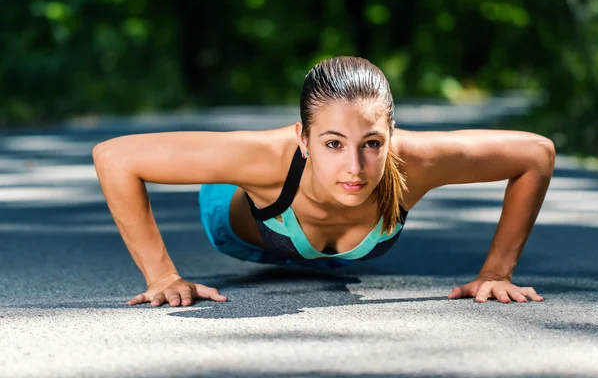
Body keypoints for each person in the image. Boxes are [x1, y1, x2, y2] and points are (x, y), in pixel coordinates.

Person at [92, 56, 554, 308]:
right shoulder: (267, 157)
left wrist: (496, 273)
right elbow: (114, 157)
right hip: (247, 213)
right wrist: (163, 276)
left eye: (372, 143)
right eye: (333, 143)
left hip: (328, 253)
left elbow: (536, 154)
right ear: (303, 139)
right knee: (248, 167)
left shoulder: (416, 160)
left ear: (392, 136)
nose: (354, 166)